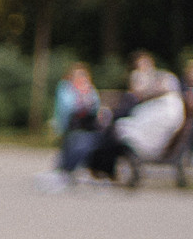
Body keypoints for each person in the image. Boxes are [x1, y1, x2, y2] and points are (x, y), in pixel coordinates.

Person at [49, 64, 183, 186]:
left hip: (142, 142)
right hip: (138, 137)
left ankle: (80, 170)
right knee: (90, 138)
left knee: (97, 139)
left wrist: (120, 125)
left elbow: (144, 122)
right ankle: (77, 169)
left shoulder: (166, 105)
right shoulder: (167, 104)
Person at [52, 63, 99, 135]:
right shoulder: (66, 88)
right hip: (71, 124)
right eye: (79, 76)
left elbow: (95, 105)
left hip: (88, 123)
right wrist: (83, 101)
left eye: (84, 76)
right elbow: (68, 107)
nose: (82, 78)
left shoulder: (90, 89)